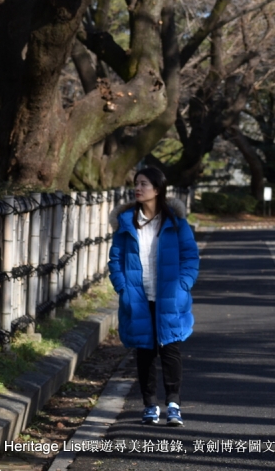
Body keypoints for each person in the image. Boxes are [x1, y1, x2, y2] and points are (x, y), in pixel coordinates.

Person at [108, 167, 199, 426]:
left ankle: (173, 404)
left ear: (157, 189)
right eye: (136, 183)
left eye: (144, 184)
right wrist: (122, 287)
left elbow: (190, 257)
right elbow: (115, 259)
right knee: (145, 351)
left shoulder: (176, 223)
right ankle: (149, 404)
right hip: (137, 295)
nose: (138, 188)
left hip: (170, 295)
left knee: (170, 348)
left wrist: (183, 284)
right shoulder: (127, 223)